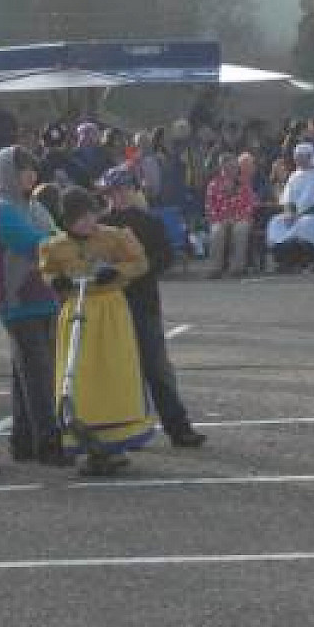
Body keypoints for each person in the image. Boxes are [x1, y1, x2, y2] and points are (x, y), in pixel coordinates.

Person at [39, 186, 155, 476]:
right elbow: (47, 270)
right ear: (67, 220)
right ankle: (87, 440)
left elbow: (140, 262)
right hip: (76, 313)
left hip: (110, 311)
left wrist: (117, 272)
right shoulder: (55, 246)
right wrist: (56, 282)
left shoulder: (114, 237)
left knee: (113, 374)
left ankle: (116, 445)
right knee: (78, 377)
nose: (88, 222)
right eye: (80, 218)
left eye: (91, 215)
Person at [98, 166, 206, 448]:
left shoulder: (149, 222)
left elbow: (165, 256)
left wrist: (139, 268)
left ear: (134, 190)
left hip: (143, 302)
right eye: (114, 191)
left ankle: (178, 428)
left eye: (124, 189)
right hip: (109, 306)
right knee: (114, 370)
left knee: (157, 368)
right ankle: (119, 432)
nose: (119, 195)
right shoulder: (100, 225)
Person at [0, 146, 66, 466]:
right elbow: (37, 244)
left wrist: (61, 243)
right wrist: (63, 246)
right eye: (22, 170)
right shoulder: (1, 209)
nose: (30, 175)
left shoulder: (34, 206)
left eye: (32, 169)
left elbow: (56, 236)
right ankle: (48, 444)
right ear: (7, 174)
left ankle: (23, 442)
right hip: (18, 303)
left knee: (26, 376)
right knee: (38, 376)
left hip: (45, 299)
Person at [266, 143, 314, 274]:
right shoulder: (295, 175)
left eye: (300, 157)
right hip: (296, 215)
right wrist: (289, 213)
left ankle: (313, 260)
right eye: (296, 157)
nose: (297, 160)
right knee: (276, 222)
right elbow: (287, 200)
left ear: (309, 156)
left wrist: (299, 215)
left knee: (305, 223)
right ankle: (284, 261)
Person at [204, 153, 255, 278]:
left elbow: (248, 205)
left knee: (240, 229)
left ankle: (237, 268)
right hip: (220, 219)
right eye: (229, 167)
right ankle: (215, 268)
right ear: (222, 167)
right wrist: (222, 219)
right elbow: (210, 207)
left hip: (240, 218)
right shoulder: (213, 184)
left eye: (234, 167)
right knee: (217, 231)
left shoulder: (243, 184)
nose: (232, 170)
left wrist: (236, 218)